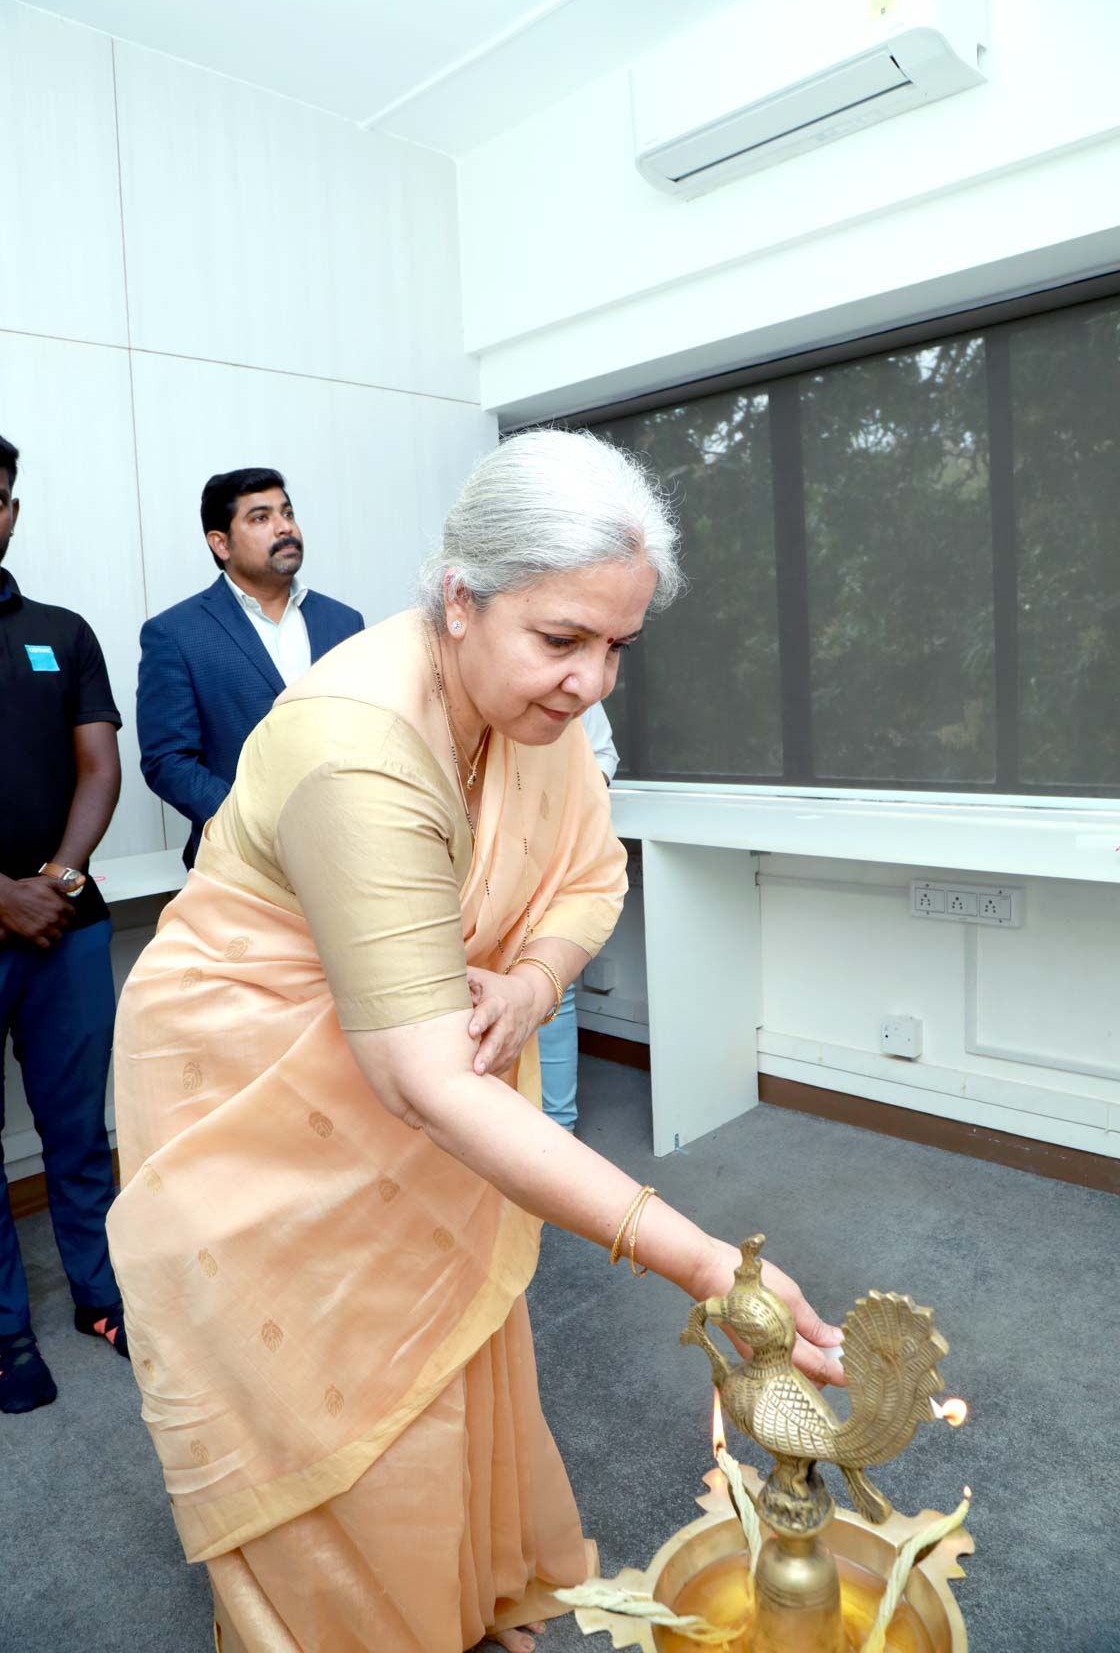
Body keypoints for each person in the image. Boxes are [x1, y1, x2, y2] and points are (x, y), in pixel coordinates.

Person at [107, 430, 842, 1653]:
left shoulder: (530, 721)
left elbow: (591, 877)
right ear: (459, 598)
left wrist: (536, 980)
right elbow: (425, 1083)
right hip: (259, 1087)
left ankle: (459, 1596)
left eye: (617, 646)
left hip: (424, 1065)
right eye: (562, 640)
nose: (592, 682)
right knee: (330, 1392)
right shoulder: (356, 744)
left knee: (449, 1354)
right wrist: (710, 1265)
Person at [0, 432, 129, 1414]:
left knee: (80, 1131)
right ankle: (7, 1331)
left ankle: (101, 1296)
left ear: (10, 511)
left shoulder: (62, 632)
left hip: (66, 927)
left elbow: (99, 766)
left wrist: (55, 880)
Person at [136, 467, 365, 866]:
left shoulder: (344, 622)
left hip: (346, 850)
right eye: (261, 518)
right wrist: (253, 826)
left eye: (287, 513)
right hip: (239, 859)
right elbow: (168, 761)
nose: (284, 527)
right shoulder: (175, 633)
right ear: (220, 543)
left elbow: (366, 733)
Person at [538, 701, 619, 1131]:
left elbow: (604, 753)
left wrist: (572, 800)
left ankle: (559, 1128)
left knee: (551, 982)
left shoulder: (575, 687)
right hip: (475, 847)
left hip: (552, 845)